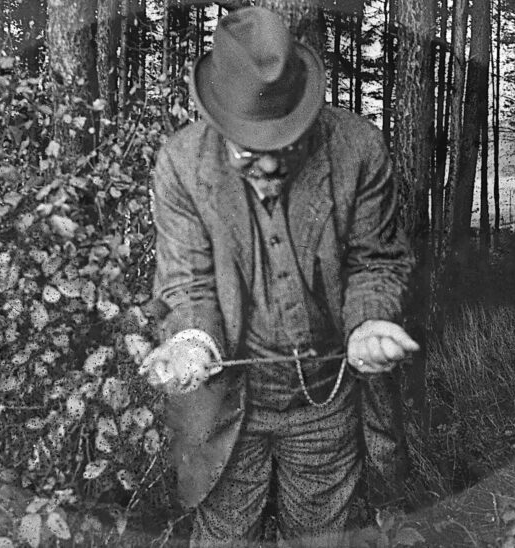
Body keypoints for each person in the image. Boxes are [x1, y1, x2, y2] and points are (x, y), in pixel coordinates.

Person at [139, 7, 417, 546]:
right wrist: (191, 341)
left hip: (325, 399)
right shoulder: (181, 164)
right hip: (227, 401)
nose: (269, 165)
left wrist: (369, 323)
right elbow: (188, 281)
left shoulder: (358, 149)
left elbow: (375, 261)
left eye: (285, 144)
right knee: (223, 536)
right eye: (250, 150)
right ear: (221, 124)